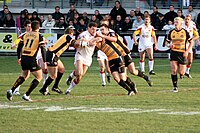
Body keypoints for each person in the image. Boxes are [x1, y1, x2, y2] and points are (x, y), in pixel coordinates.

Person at [7, 21, 47, 101]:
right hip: (31, 58)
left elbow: (19, 47)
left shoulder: (25, 35)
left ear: (31, 27)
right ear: (39, 28)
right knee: (39, 77)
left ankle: (11, 90)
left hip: (24, 57)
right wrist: (45, 62)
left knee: (24, 75)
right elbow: (43, 49)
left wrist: (19, 57)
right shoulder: (39, 35)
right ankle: (27, 95)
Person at [39, 28, 80, 95]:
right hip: (52, 55)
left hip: (55, 56)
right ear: (71, 34)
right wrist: (84, 43)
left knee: (61, 69)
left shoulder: (64, 37)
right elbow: (74, 43)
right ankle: (43, 89)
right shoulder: (67, 36)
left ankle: (55, 86)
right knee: (53, 75)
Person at [65, 22, 98, 95]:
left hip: (88, 57)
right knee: (79, 73)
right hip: (80, 55)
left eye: (95, 29)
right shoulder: (83, 35)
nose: (94, 31)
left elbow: (100, 39)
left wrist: (97, 39)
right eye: (92, 29)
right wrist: (87, 43)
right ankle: (68, 91)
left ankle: (71, 78)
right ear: (88, 28)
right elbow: (76, 45)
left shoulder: (96, 35)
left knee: (79, 77)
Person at [165, 17, 193, 92]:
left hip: (182, 53)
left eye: (177, 22)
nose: (175, 23)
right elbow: (166, 42)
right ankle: (175, 87)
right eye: (175, 22)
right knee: (174, 70)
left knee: (182, 72)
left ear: (181, 23)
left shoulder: (185, 32)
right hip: (173, 52)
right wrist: (169, 45)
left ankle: (181, 74)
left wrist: (187, 51)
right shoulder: (171, 32)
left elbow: (191, 42)